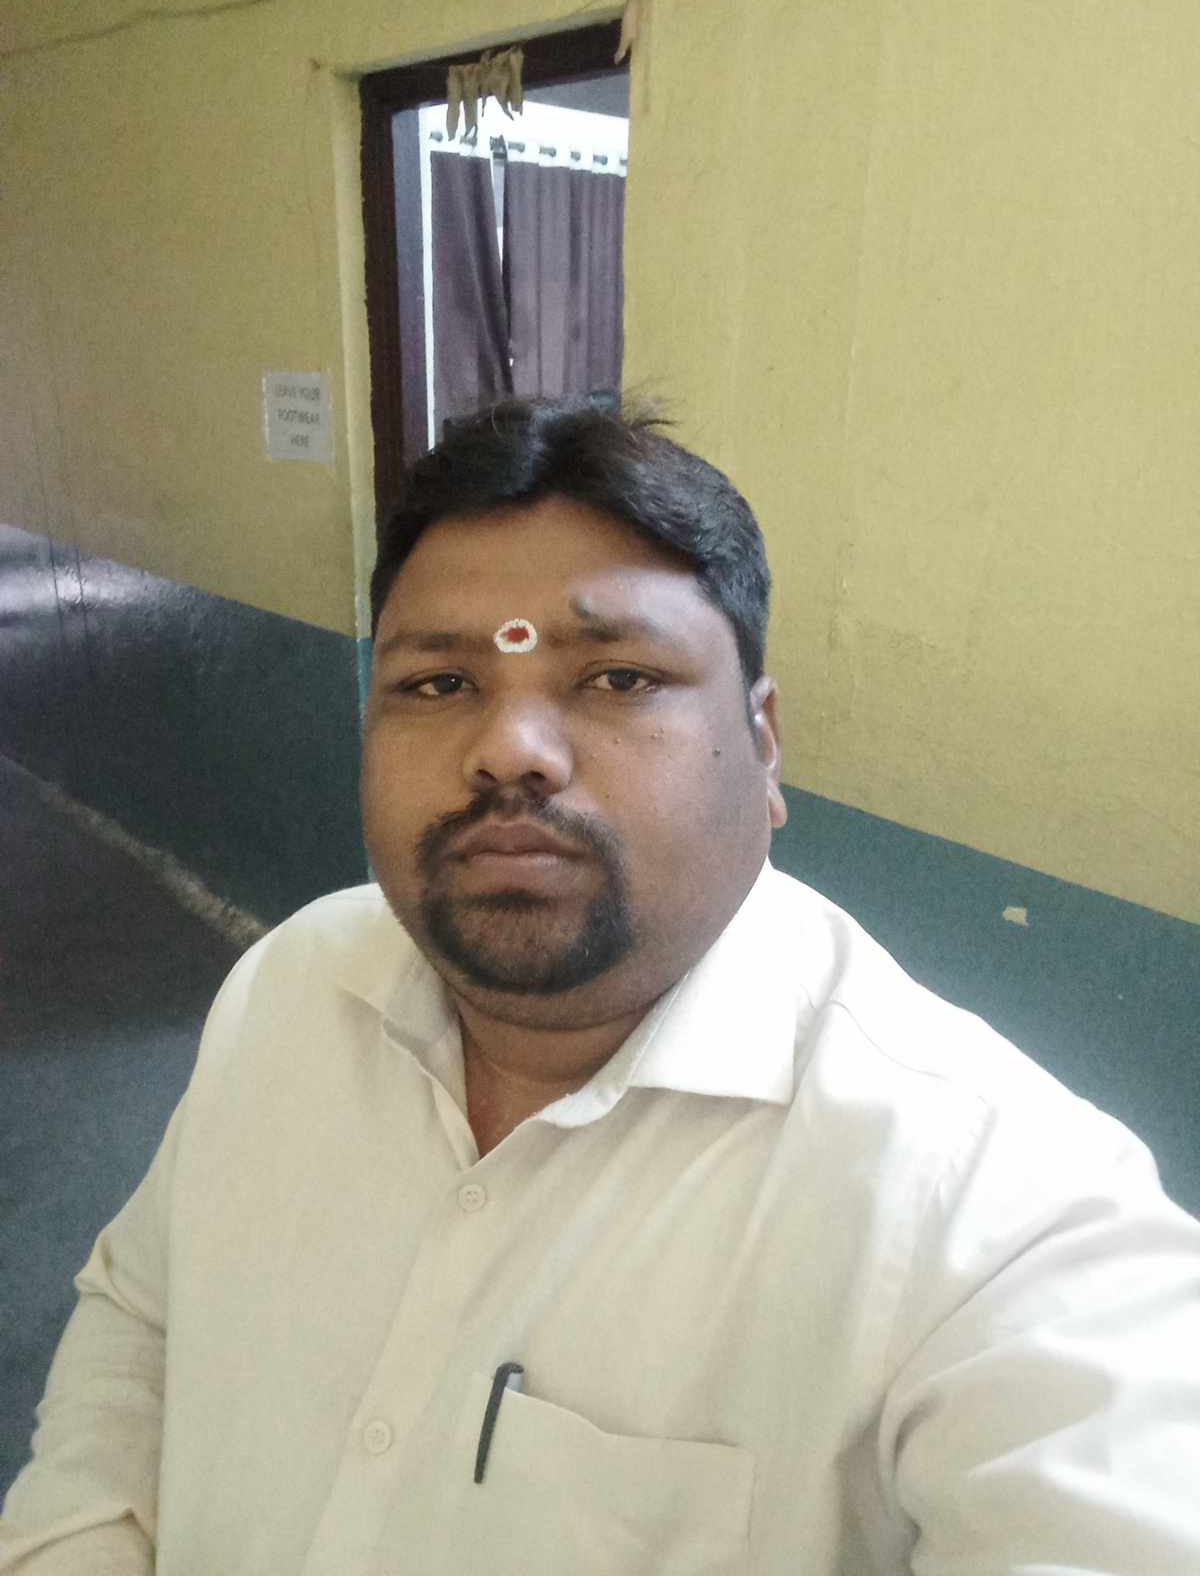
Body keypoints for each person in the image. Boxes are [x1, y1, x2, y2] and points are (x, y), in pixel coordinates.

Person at [2, 396, 1198, 1574]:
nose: (509, 749)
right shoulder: (292, 985)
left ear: (764, 745)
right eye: (438, 684)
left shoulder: (1000, 1225)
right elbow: (144, 1321)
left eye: (619, 677)